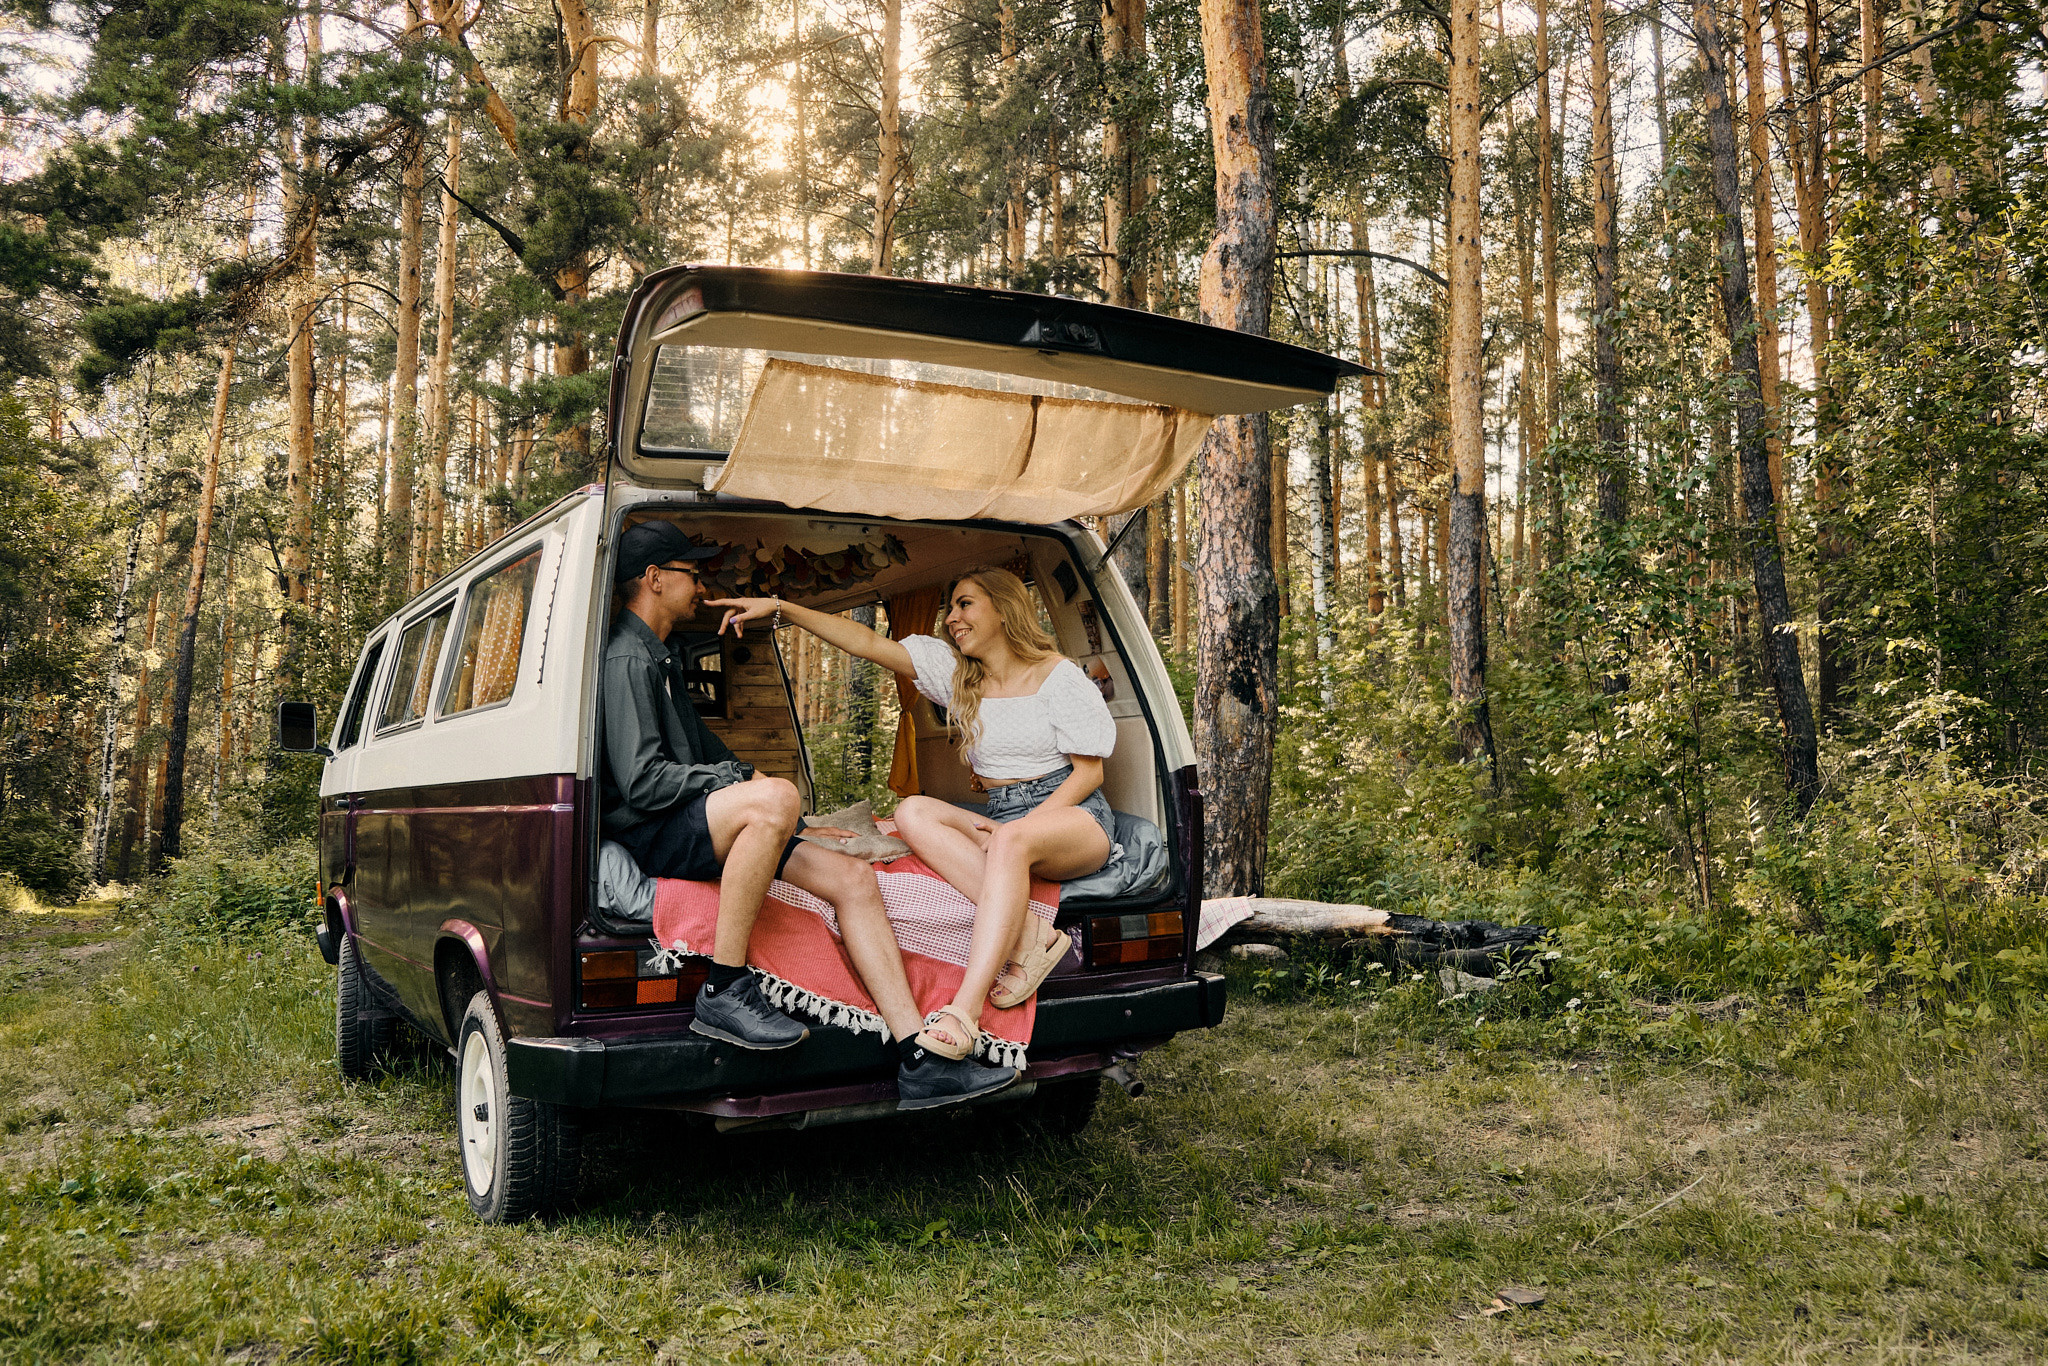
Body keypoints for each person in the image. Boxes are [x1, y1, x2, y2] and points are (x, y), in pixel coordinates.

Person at [601, 521, 1016, 1110]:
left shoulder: (660, 655)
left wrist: (749, 779)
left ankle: (916, 1058)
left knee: (852, 878)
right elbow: (642, 782)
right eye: (691, 574)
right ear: (654, 578)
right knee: (777, 799)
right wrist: (748, 789)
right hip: (654, 830)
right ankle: (724, 987)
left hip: (693, 818)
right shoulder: (626, 657)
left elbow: (705, 750)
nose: (700, 585)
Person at [711, 565, 1116, 1065]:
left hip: (1073, 813)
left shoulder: (1058, 674)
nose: (951, 618)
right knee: (912, 810)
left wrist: (1020, 829)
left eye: (964, 603)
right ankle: (1033, 935)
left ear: (1004, 607)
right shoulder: (955, 673)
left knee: (1010, 843)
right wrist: (781, 608)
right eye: (950, 607)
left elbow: (1088, 775)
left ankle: (963, 1012)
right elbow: (863, 641)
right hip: (1006, 812)